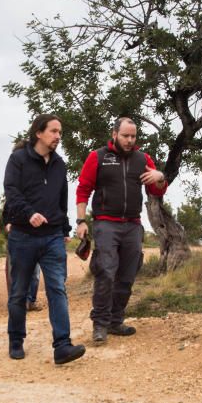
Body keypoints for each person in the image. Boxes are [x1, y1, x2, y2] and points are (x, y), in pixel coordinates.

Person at [76, 117, 168, 344]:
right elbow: (83, 190)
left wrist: (160, 177)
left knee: (127, 276)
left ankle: (116, 321)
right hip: (106, 223)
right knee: (106, 272)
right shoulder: (97, 157)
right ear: (114, 134)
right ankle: (100, 324)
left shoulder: (142, 159)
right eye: (125, 136)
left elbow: (157, 190)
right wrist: (81, 221)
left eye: (133, 136)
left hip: (133, 225)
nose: (129, 140)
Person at [2, 114, 85, 365]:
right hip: (22, 236)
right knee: (18, 292)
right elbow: (11, 192)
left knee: (57, 289)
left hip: (52, 238)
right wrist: (29, 214)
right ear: (39, 132)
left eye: (60, 132)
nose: (58, 136)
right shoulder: (18, 160)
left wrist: (65, 228)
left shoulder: (60, 164)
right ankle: (16, 340)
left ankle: (62, 345)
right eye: (53, 131)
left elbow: (62, 199)